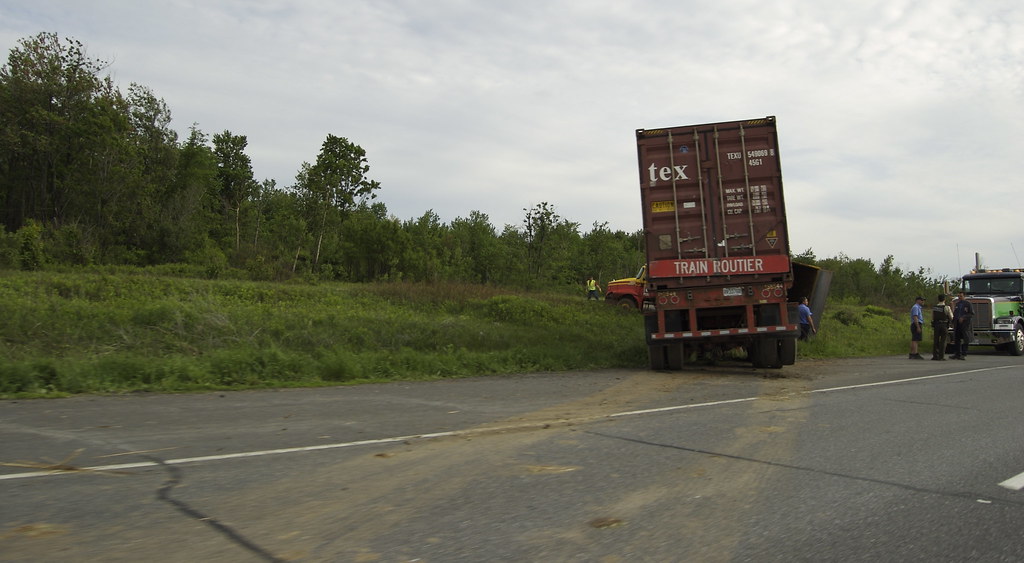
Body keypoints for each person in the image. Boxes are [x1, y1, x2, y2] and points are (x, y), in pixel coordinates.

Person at [952, 291, 973, 360]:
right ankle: (957, 353)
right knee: (957, 338)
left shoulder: (968, 304)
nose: (959, 297)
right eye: (958, 296)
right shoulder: (957, 304)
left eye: (961, 296)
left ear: (964, 296)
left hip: (965, 324)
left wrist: (964, 317)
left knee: (965, 338)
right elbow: (955, 313)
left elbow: (971, 314)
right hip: (957, 323)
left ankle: (964, 353)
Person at [931, 294, 953, 360]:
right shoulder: (947, 307)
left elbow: (932, 317)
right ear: (944, 299)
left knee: (936, 340)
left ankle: (935, 355)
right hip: (944, 325)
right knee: (943, 341)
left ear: (938, 299)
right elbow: (951, 317)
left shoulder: (934, 307)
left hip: (936, 325)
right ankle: (941, 356)